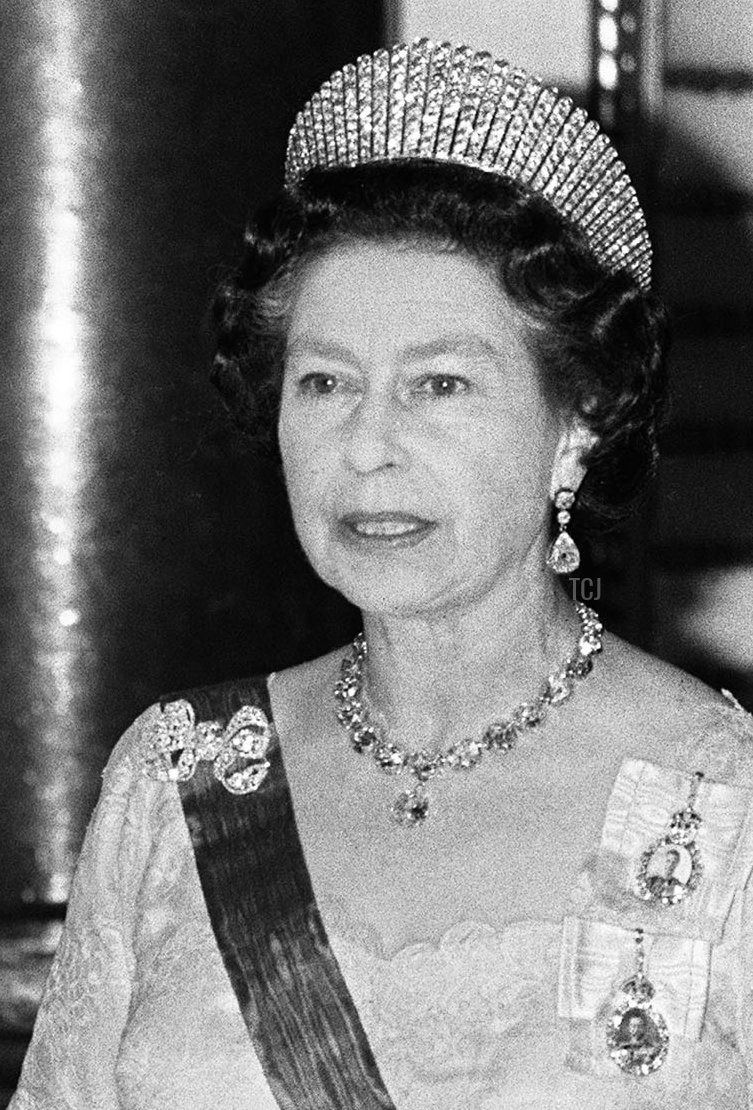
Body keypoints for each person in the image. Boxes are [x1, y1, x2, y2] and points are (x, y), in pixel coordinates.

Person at [11, 38, 753, 1110]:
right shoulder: (184, 786)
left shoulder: (718, 801)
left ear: (577, 424)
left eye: (439, 384)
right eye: (324, 384)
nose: (366, 446)